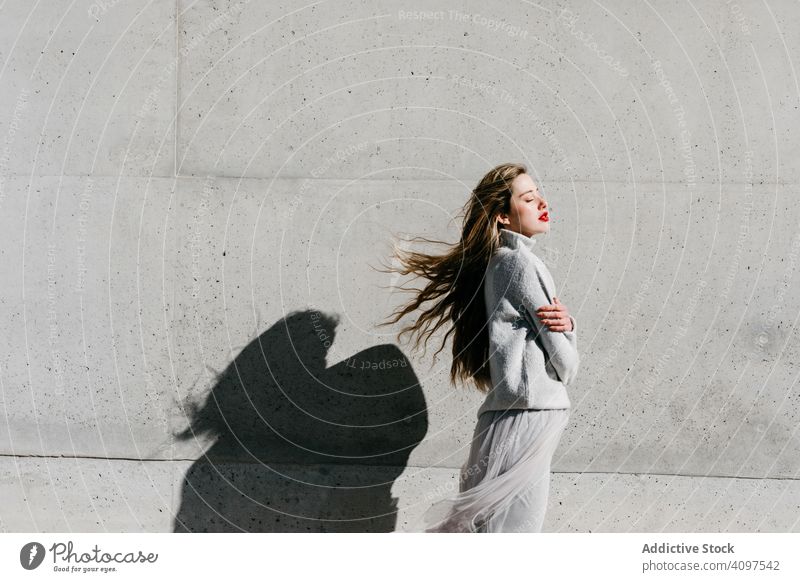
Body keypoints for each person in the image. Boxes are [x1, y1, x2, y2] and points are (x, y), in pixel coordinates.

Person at [377, 162, 580, 532]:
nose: (542, 202)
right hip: (531, 413)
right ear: (502, 216)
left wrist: (567, 324)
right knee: (512, 535)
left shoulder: (499, 263)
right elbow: (565, 365)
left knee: (486, 531)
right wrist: (570, 334)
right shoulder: (521, 263)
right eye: (528, 197)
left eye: (539, 194)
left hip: (509, 414)